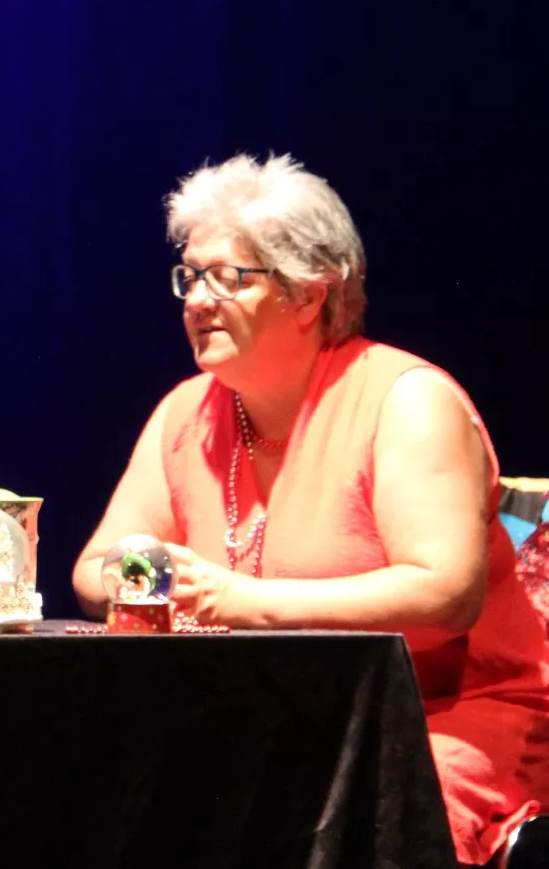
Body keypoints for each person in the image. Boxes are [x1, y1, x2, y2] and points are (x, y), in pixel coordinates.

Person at [72, 154, 549, 866]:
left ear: (308, 294)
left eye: (227, 277)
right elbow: (94, 570)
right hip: (272, 720)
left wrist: (241, 602)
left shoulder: (406, 401)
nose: (196, 300)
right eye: (189, 277)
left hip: (441, 717)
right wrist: (152, 580)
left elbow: (445, 593)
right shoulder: (184, 414)